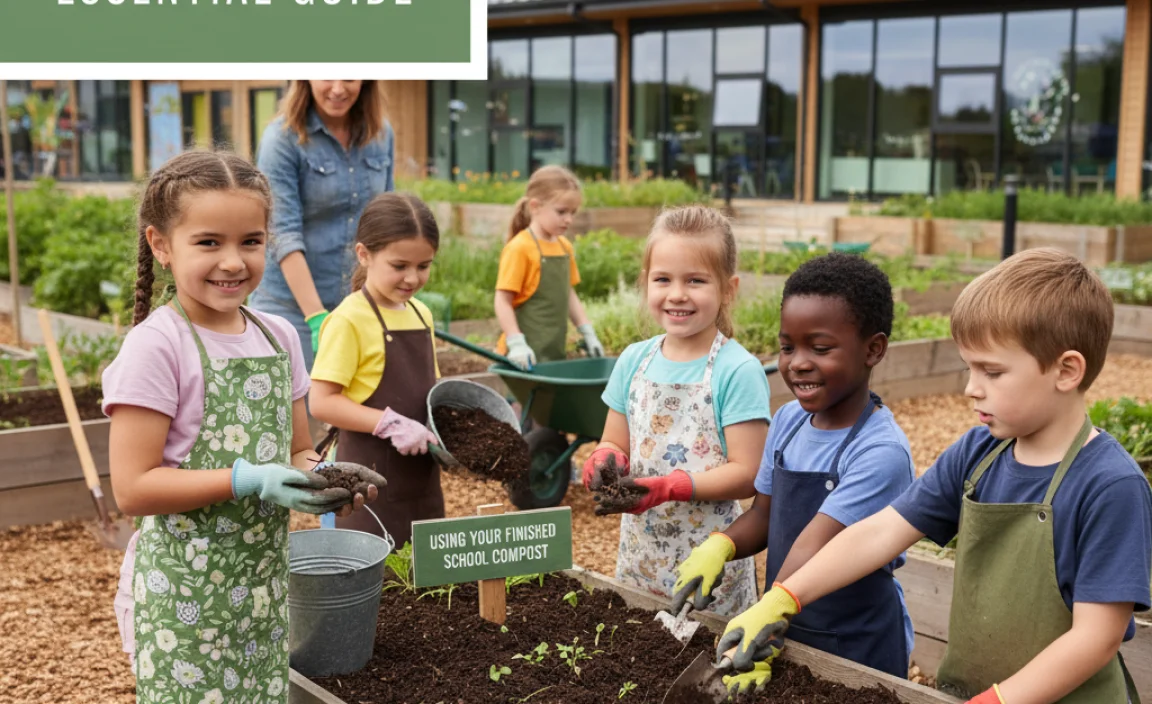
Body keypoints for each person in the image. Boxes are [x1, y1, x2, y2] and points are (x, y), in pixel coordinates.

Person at [718, 249, 1152, 704]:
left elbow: (1095, 638)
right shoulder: (977, 453)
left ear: (1066, 371)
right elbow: (882, 531)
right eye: (969, 368)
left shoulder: (1109, 486)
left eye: (992, 371)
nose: (970, 388)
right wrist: (784, 598)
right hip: (969, 690)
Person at [104, 151, 380, 701]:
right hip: (183, 600)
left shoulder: (278, 336)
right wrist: (246, 479)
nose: (233, 262)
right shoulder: (158, 346)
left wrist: (325, 480)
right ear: (161, 245)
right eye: (209, 242)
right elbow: (133, 489)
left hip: (260, 596)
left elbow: (300, 450)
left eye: (250, 242)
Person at [670, 253, 916, 694]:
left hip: (856, 642)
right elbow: (765, 514)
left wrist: (765, 613)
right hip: (787, 624)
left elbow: (814, 543)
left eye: (820, 349)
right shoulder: (787, 422)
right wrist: (721, 545)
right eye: (787, 347)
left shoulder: (878, 451)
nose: (797, 363)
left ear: (873, 349)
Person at [584, 205, 770, 617]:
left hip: (710, 559)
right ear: (646, 283)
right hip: (640, 555)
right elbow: (615, 439)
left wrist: (669, 487)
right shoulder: (634, 360)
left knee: (704, 665)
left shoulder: (736, 370)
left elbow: (748, 474)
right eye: (663, 279)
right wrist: (604, 458)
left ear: (728, 289)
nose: (677, 293)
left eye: (696, 280)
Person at [308, 192, 443, 547]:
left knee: (427, 585)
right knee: (374, 584)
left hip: (422, 479)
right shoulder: (349, 319)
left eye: (424, 266)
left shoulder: (420, 314)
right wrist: (389, 423)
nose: (412, 278)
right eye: (399, 266)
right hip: (366, 484)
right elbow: (322, 403)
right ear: (364, 255)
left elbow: (429, 390)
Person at [250, 80, 395, 370]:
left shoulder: (381, 133)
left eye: (350, 76)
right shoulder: (282, 139)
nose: (339, 88)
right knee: (297, 411)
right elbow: (283, 233)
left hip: (355, 304)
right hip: (291, 309)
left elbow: (385, 220)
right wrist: (317, 317)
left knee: (351, 409)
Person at [494, 165, 604, 370]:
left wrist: (587, 331)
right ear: (535, 206)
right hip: (523, 356)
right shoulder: (520, 248)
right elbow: (502, 300)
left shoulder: (564, 246)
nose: (569, 219)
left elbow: (568, 293)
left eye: (573, 212)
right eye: (561, 211)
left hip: (553, 351)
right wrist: (516, 343)